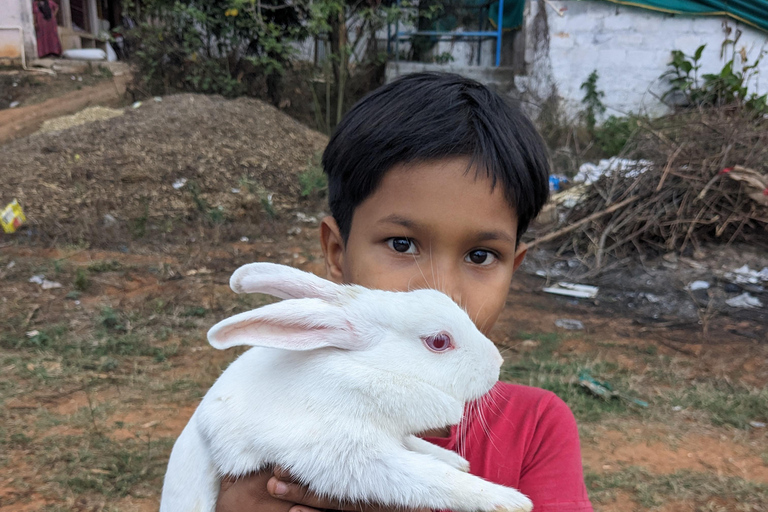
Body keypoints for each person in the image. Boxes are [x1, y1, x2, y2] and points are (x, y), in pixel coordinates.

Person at [216, 73, 594, 512]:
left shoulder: (537, 427)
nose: (445, 293)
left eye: (480, 256)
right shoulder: (268, 407)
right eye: (402, 245)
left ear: (515, 267)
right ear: (337, 253)